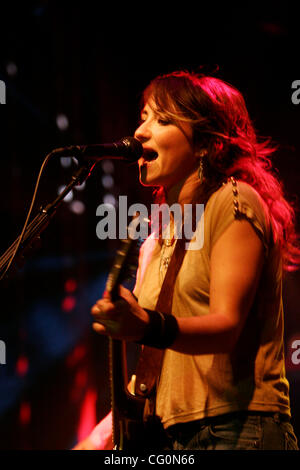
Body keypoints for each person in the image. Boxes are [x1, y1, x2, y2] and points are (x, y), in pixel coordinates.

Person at [74, 70, 300, 450]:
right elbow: (157, 369)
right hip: (178, 440)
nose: (141, 132)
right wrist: (96, 440)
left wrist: (144, 324)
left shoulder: (234, 201)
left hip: (239, 430)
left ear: (207, 144)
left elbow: (226, 327)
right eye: (143, 116)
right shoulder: (156, 240)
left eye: (162, 120)